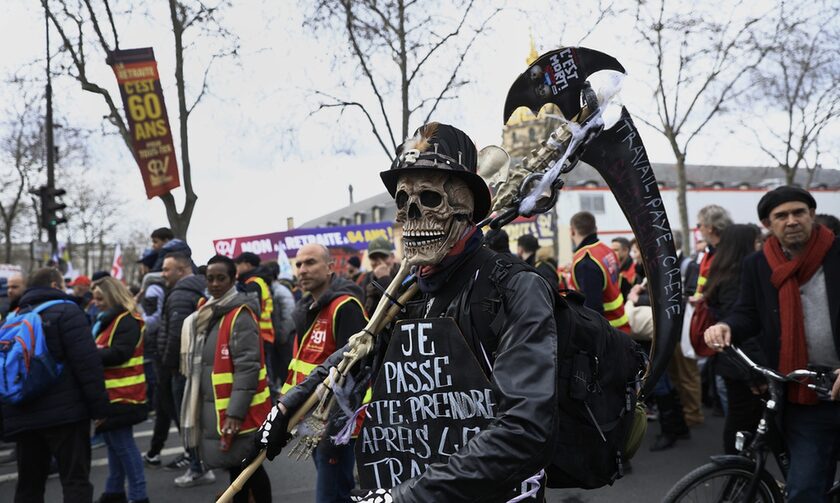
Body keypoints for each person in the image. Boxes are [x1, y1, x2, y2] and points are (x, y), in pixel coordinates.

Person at [255, 122, 559, 501]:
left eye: (430, 199)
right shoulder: (409, 293)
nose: (411, 215)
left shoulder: (515, 288)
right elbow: (358, 354)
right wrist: (290, 405)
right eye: (403, 201)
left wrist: (406, 497)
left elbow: (524, 428)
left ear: (464, 205)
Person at [705, 186, 840, 503]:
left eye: (799, 212)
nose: (792, 220)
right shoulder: (757, 264)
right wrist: (725, 326)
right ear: (768, 223)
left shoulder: (836, 253)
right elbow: (747, 312)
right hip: (805, 396)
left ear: (811, 215)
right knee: (804, 489)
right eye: (782, 215)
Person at [2, 267, 109, 502]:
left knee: (29, 484)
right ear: (54, 285)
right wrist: (99, 409)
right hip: (66, 415)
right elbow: (87, 364)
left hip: (24, 411)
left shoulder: (14, 316)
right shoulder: (68, 312)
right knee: (75, 481)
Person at [180, 255, 272, 503]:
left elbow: (247, 367)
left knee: (248, 470)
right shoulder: (210, 311)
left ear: (233, 279)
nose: (215, 283)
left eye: (221, 278)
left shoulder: (239, 314)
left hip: (241, 411)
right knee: (238, 470)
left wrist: (235, 412)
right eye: (210, 278)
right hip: (221, 409)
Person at [281, 242, 367, 503]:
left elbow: (355, 375)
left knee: (330, 497)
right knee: (339, 494)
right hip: (313, 420)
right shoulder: (310, 308)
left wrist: (333, 431)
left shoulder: (345, 307)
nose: (302, 270)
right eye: (299, 264)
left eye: (310, 263)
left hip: (335, 426)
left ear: (330, 268)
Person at [699, 224, 765, 454]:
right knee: (742, 422)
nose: (761, 247)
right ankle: (740, 474)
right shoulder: (738, 277)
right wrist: (755, 373)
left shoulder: (723, 272)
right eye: (758, 242)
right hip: (742, 363)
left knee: (739, 420)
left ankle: (741, 473)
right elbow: (743, 328)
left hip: (733, 361)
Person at [91, 277, 149, 503]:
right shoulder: (110, 320)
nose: (96, 303)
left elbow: (120, 354)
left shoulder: (127, 320)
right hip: (112, 394)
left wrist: (86, 352)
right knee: (115, 445)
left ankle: (138, 495)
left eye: (100, 298)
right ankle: (114, 492)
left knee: (123, 446)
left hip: (124, 395)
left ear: (112, 296)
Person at [159, 252, 213, 485]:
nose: (163, 274)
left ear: (181, 270)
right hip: (198, 365)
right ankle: (204, 462)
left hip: (183, 368)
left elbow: (175, 336)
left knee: (188, 419)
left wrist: (169, 366)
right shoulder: (200, 287)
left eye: (166, 269)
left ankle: (197, 467)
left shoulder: (180, 294)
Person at [568, 211, 631, 333]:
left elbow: (592, 309)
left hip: (608, 333)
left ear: (572, 231)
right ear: (595, 229)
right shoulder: (607, 250)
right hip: (620, 324)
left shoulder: (586, 262)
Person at [358, 236, 399, 316]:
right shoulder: (365, 279)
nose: (379, 262)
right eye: (374, 258)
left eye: (383, 256)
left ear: (392, 257)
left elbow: (399, 306)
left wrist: (384, 279)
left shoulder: (404, 275)